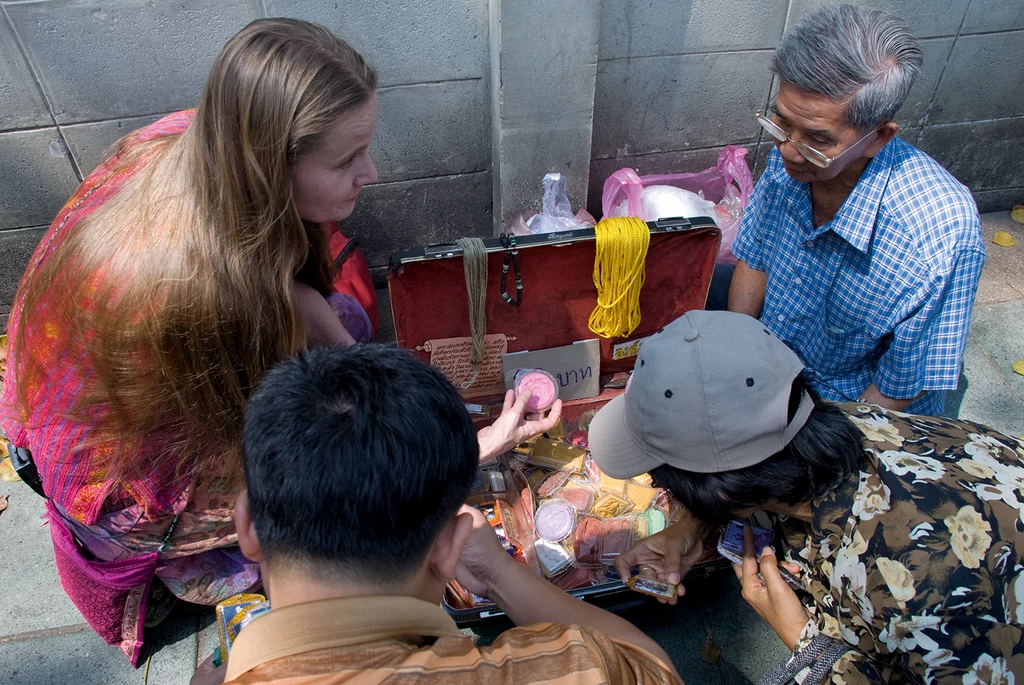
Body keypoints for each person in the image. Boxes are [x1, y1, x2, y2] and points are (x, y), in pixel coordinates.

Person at [0, 18, 551, 661]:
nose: (370, 174)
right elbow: (293, 463)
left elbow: (301, 304)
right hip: (117, 484)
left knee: (346, 321)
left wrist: (423, 417)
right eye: (346, 160)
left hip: (66, 393)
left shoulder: (197, 136)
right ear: (270, 164)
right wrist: (450, 457)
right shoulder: (208, 299)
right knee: (335, 531)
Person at [188, 344, 682, 685]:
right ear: (449, 547)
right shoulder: (574, 670)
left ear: (246, 524)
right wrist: (502, 574)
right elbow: (652, 668)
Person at [588, 310, 1024, 684]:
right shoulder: (837, 422)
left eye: (671, 484)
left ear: (722, 491)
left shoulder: (912, 589)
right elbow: (750, 471)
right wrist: (691, 529)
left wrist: (802, 639)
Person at [708, 4, 984, 416]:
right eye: (781, 123)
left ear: (879, 137)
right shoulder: (794, 160)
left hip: (851, 400)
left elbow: (895, 390)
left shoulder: (938, 237)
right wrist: (739, 361)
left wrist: (815, 433)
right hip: (779, 354)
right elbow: (755, 258)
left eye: (817, 139)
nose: (786, 149)